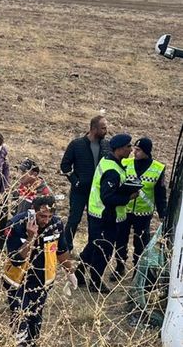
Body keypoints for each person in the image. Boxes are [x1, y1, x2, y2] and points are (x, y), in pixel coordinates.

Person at [3, 195, 76, 347]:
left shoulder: (56, 224)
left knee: (35, 322)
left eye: (49, 216)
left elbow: (61, 249)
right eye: (42, 215)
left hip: (42, 281)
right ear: (33, 210)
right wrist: (30, 237)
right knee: (21, 320)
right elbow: (17, 258)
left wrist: (70, 271)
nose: (45, 220)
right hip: (18, 281)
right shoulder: (17, 224)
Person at [76, 134, 137, 293]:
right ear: (119, 149)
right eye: (128, 146)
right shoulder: (112, 170)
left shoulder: (109, 162)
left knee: (93, 245)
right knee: (104, 250)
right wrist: (128, 196)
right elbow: (108, 197)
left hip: (98, 213)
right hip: (105, 216)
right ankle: (95, 282)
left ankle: (79, 273)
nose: (131, 149)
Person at [111, 137, 167, 280]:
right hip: (125, 208)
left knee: (140, 242)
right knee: (121, 240)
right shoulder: (125, 163)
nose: (134, 152)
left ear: (147, 151)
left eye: (139, 150)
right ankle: (120, 266)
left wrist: (163, 213)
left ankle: (138, 270)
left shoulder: (158, 168)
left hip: (143, 213)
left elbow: (160, 194)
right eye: (134, 149)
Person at [60, 115, 110, 251]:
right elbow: (65, 165)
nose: (106, 131)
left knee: (94, 221)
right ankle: (65, 248)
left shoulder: (106, 145)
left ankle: (90, 249)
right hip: (80, 191)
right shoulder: (76, 144)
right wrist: (75, 181)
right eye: (103, 128)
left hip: (98, 192)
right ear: (94, 129)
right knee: (74, 219)